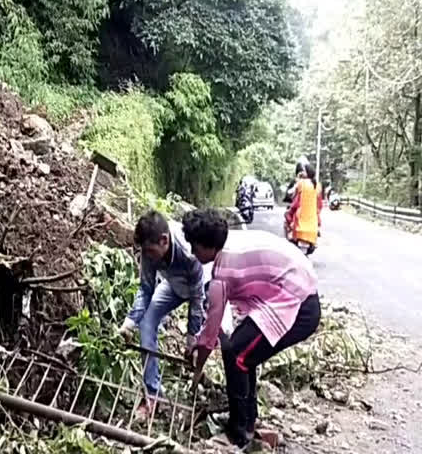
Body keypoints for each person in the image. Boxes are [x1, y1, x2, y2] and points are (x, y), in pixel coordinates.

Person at [184, 209, 321, 448]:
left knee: (238, 354)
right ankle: (248, 421)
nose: (193, 254)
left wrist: (197, 367)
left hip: (299, 303)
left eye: (195, 247)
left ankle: (240, 433)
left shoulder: (221, 274)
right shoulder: (229, 242)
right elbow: (214, 330)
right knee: (241, 350)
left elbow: (209, 337)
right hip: (291, 288)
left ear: (208, 246)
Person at [117, 210, 205, 418]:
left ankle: (199, 383)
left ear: (164, 241)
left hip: (203, 289)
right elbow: (146, 289)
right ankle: (153, 395)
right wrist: (129, 322)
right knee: (147, 324)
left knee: (209, 339)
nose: (147, 256)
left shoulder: (189, 252)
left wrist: (191, 338)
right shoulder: (150, 251)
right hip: (173, 286)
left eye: (149, 251)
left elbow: (197, 300)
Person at [284, 163, 323, 245]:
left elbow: (291, 193)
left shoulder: (301, 183)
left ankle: (290, 237)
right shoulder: (318, 185)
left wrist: (298, 179)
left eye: (304, 171)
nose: (302, 172)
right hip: (312, 221)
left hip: (300, 219)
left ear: (307, 173)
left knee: (289, 216)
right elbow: (319, 202)